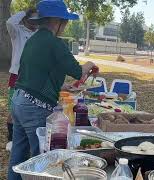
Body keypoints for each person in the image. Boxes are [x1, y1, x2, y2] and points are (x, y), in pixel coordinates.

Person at [8, 1, 97, 179]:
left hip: (18, 101)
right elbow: (78, 71)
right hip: (35, 107)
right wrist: (90, 64)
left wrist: (62, 86)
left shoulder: (33, 40)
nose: (65, 26)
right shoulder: (55, 43)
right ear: (57, 22)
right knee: (39, 157)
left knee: (18, 152)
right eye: (65, 22)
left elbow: (33, 73)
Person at [5, 9, 38, 152]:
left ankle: (26, 140)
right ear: (25, 19)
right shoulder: (17, 31)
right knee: (13, 111)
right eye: (32, 19)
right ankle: (11, 140)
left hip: (33, 76)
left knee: (29, 108)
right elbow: (10, 21)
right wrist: (25, 11)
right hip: (17, 75)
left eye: (37, 20)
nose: (34, 23)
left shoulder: (38, 34)